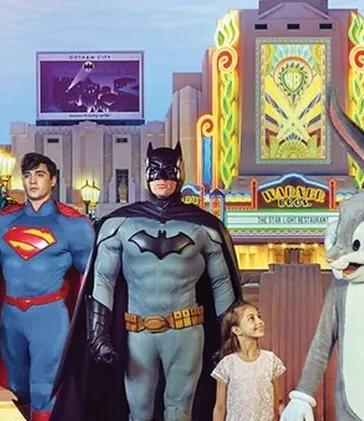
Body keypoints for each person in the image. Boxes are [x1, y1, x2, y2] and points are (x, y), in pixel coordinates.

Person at [51, 142, 244, 421]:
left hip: (185, 331)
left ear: (181, 172)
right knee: (138, 411)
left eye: (169, 170)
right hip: (138, 331)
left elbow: (221, 284)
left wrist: (226, 338)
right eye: (154, 170)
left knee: (179, 411)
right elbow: (103, 280)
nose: (161, 178)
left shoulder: (204, 227)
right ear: (145, 173)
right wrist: (98, 335)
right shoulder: (119, 223)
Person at [0, 152, 94, 420]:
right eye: (27, 176)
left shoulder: (73, 225)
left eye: (40, 175)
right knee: (16, 386)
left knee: (44, 387)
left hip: (50, 316)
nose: (33, 181)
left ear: (53, 180)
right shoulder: (1, 222)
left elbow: (92, 278)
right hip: (10, 316)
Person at [212, 301, 285, 421]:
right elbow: (220, 407)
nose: (260, 322)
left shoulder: (270, 360)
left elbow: (277, 401)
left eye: (259, 316)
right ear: (237, 330)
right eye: (251, 318)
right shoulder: (227, 364)